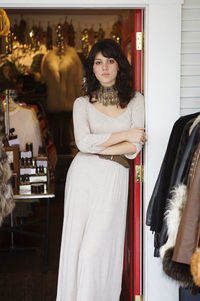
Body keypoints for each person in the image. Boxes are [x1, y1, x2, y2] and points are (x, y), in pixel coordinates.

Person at [56, 38, 145, 301]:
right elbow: (82, 142)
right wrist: (124, 134)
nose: (104, 67)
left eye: (110, 60)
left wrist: (99, 145)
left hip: (114, 178)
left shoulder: (136, 100)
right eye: (98, 62)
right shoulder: (81, 103)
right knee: (78, 248)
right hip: (83, 178)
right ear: (92, 69)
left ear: (120, 66)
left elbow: (134, 147)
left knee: (95, 251)